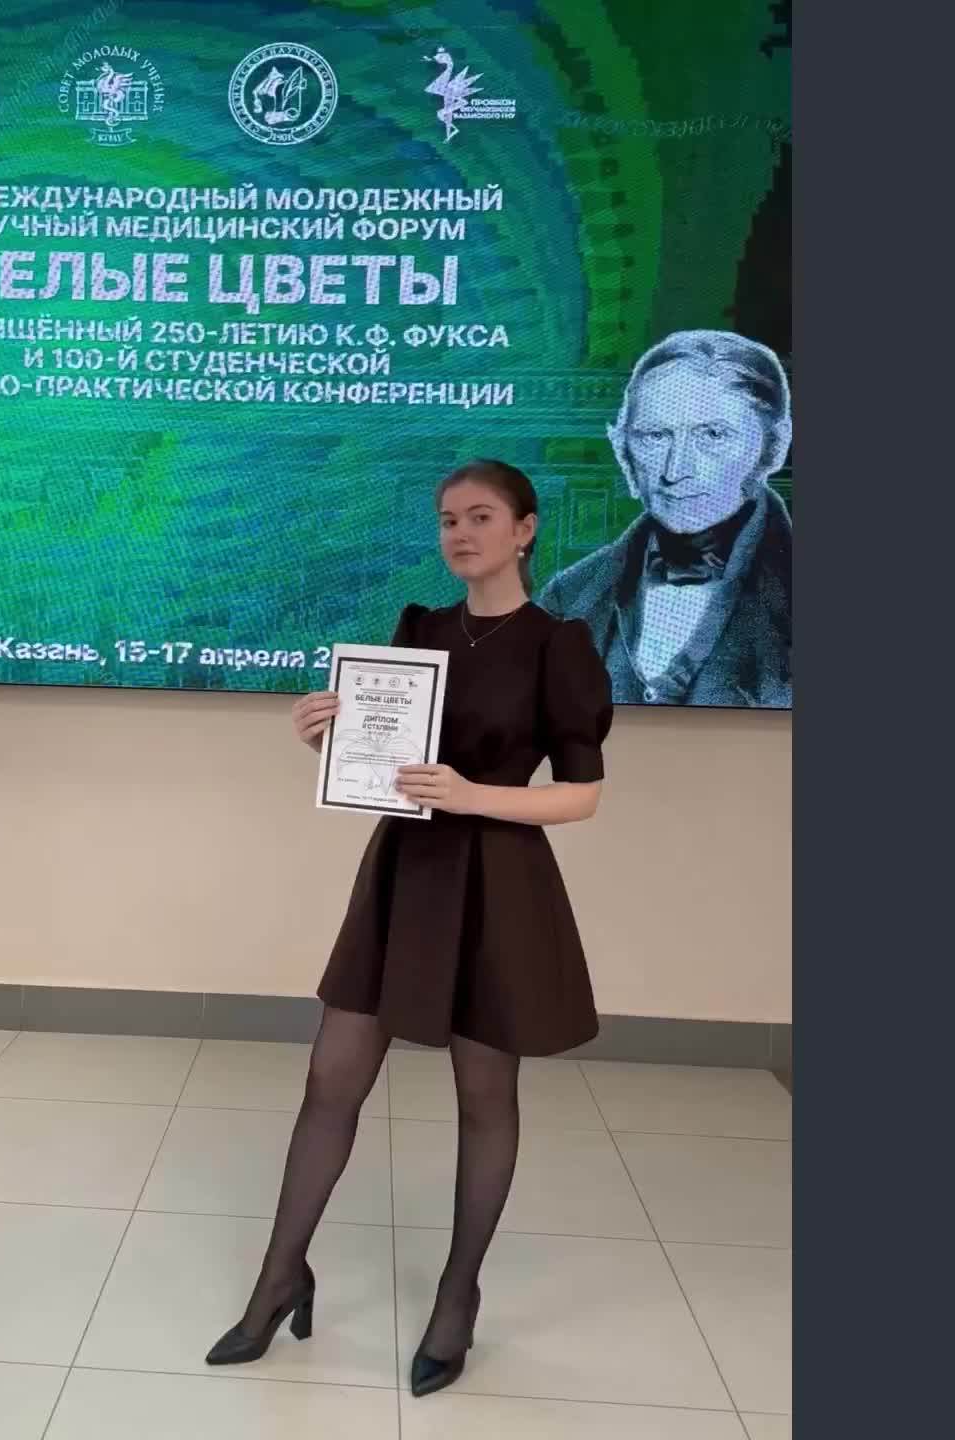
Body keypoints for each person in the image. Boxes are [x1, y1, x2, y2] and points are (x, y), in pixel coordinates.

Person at [204, 459, 614, 1399]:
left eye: (480, 517)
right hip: (404, 875)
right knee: (330, 1080)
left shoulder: (560, 644)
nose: (459, 533)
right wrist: (329, 737)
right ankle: (279, 1278)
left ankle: (458, 1296)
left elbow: (583, 796)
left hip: (500, 884)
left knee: (485, 1096)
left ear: (525, 530)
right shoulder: (418, 630)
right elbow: (385, 760)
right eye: (446, 520)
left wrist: (475, 795)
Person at [538, 329, 793, 707]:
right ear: (623, 449)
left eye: (713, 434)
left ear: (775, 446)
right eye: (655, 436)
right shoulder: (570, 596)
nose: (676, 471)